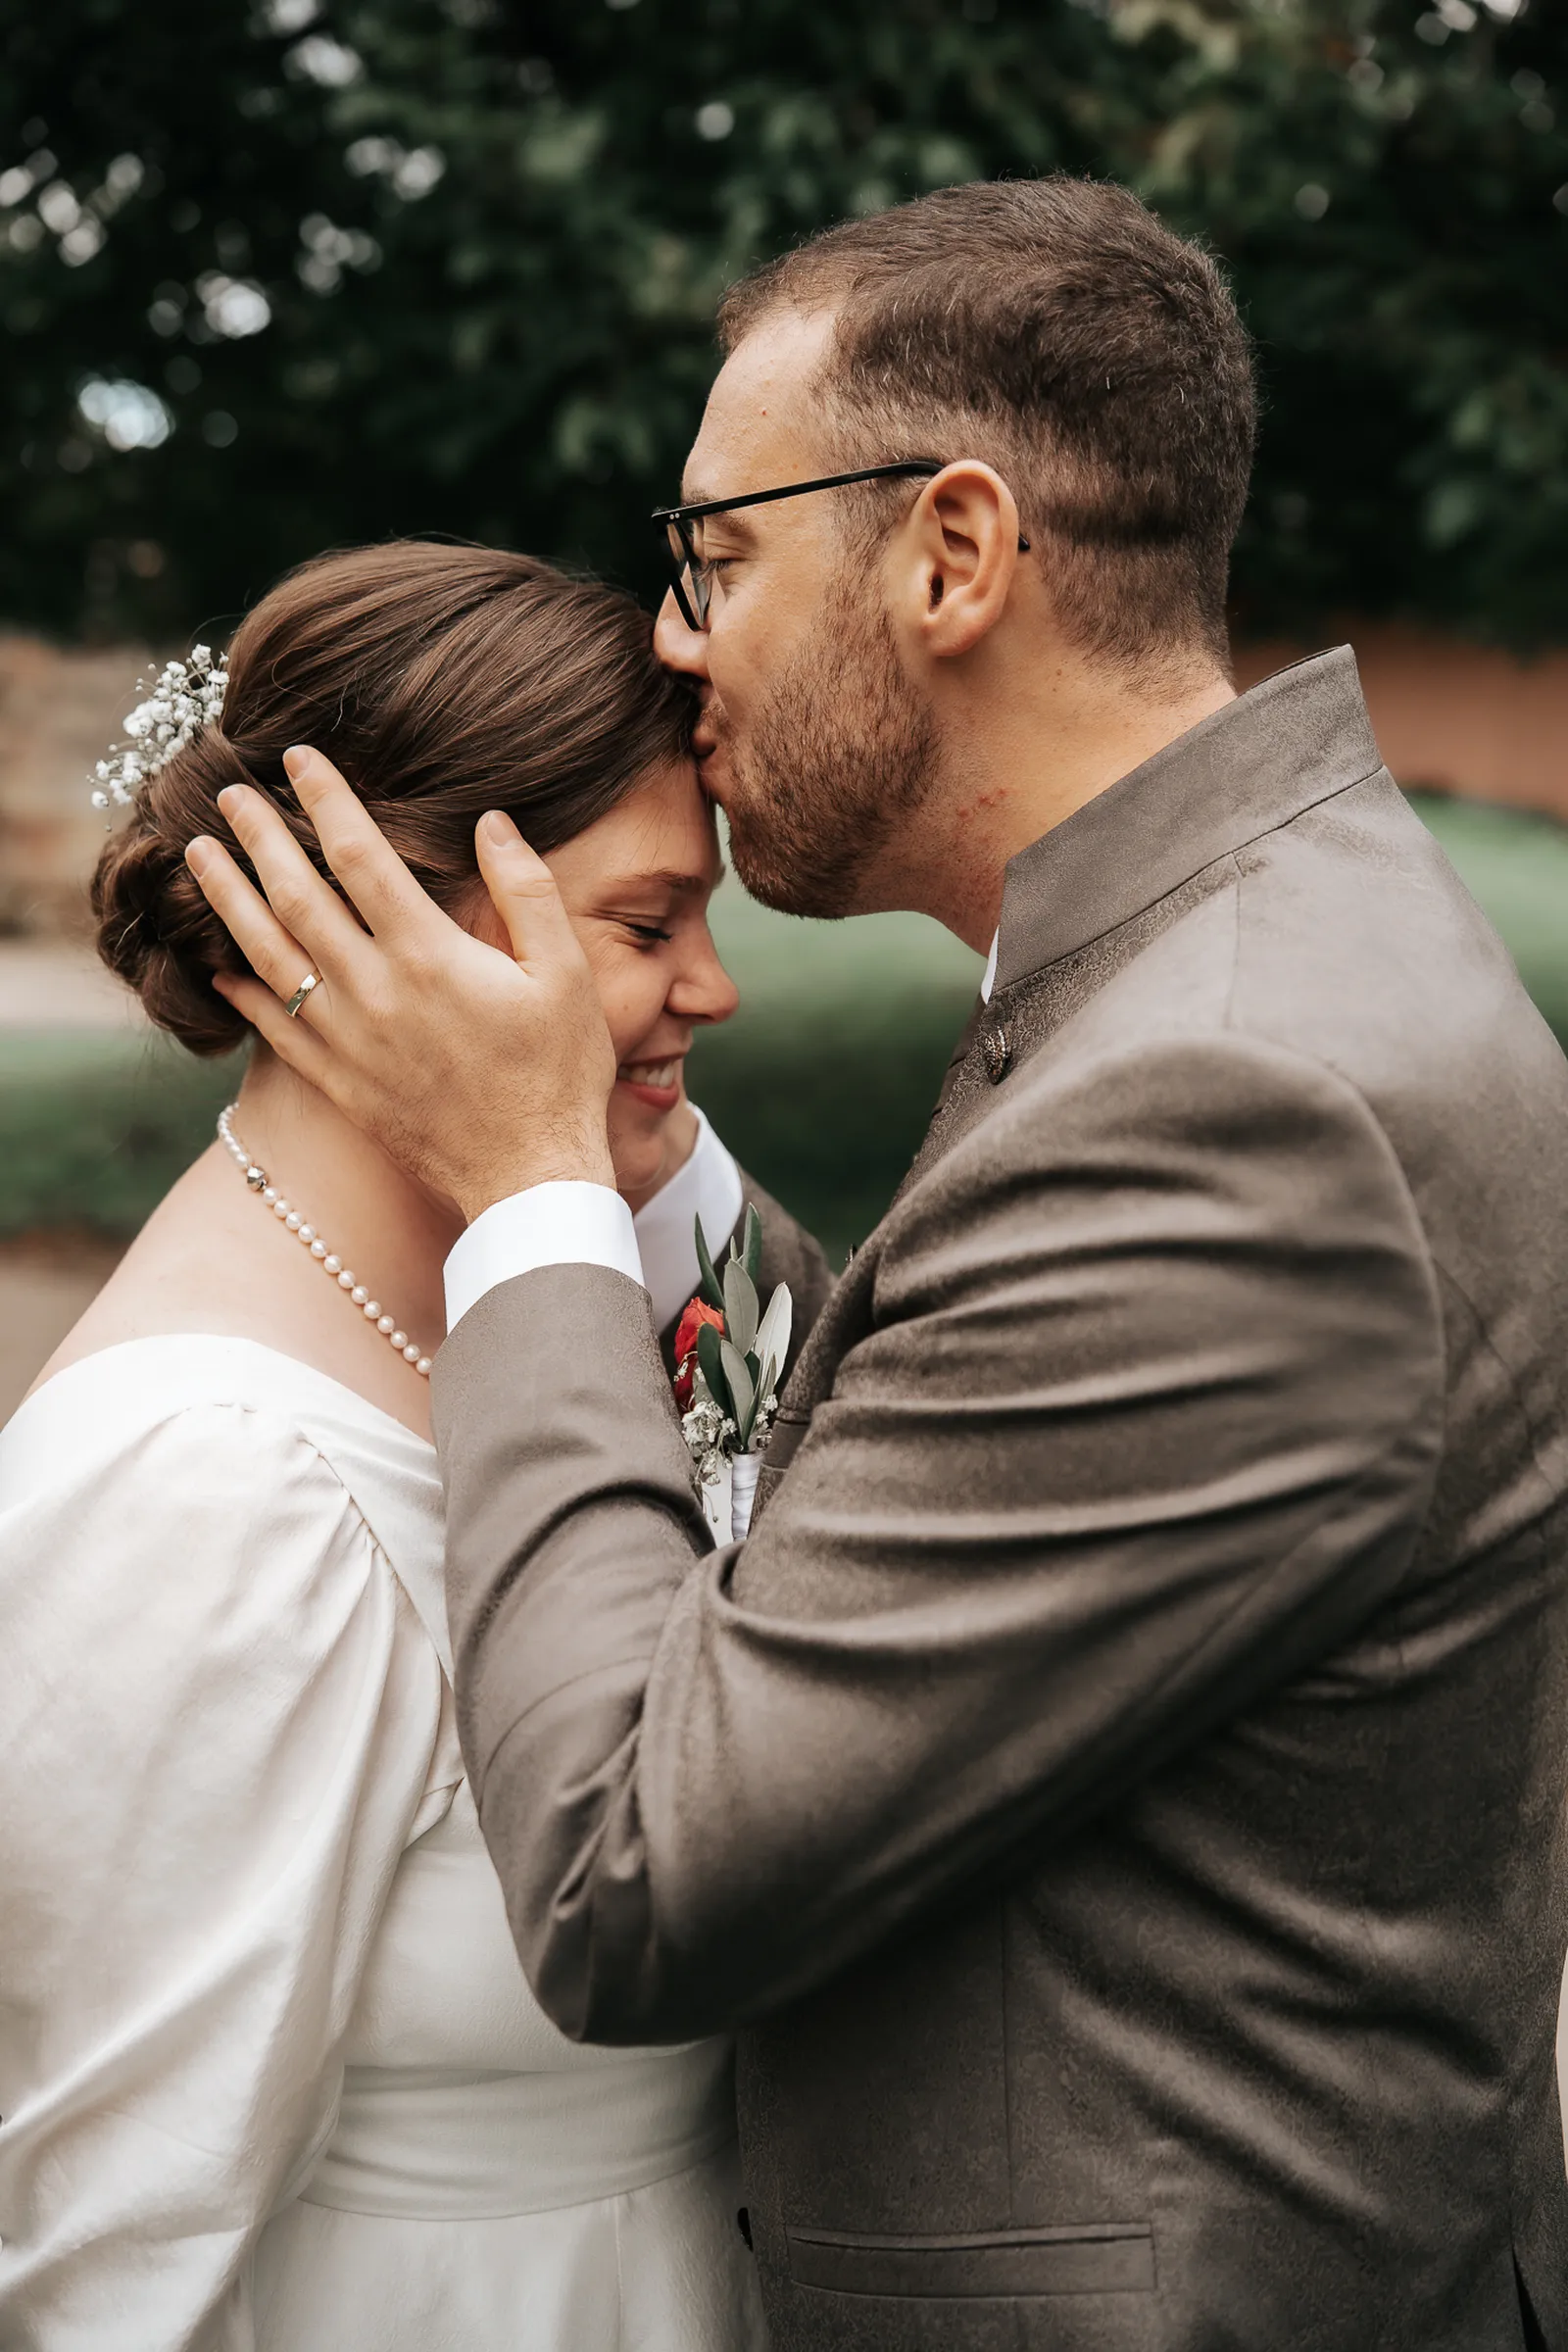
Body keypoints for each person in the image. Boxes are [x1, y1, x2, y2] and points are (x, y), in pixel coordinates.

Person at [190, 180, 1568, 2350]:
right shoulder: (1256, 945)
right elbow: (961, 1397)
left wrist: (532, 1179)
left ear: (949, 551)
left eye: (714, 560)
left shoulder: (1228, 1100)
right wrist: (615, 1113)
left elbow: (631, 1878)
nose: (672, 636)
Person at [0, 541, 828, 2348]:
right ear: (374, 930)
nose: (714, 988)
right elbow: (117, 2260)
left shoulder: (585, 1275)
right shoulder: (206, 1493)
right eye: (644, 925)